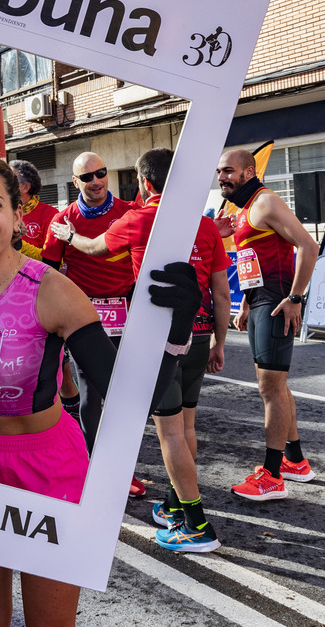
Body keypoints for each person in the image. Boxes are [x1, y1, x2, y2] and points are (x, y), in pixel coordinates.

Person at [0, 157, 200, 625]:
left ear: (18, 214)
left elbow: (127, 398)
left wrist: (177, 329)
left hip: (45, 467)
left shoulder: (53, 291)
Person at [55, 148, 230, 552]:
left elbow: (95, 248)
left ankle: (196, 524)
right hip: (200, 335)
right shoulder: (203, 226)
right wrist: (220, 341)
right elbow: (221, 294)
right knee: (186, 428)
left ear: (146, 183)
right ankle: (172, 504)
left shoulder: (139, 218)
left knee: (169, 433)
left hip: (159, 339)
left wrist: (67, 235)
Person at [215, 148, 319, 501]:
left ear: (248, 172)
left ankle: (272, 476)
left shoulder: (266, 202)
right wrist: (246, 301)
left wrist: (295, 297)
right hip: (259, 301)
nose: (221, 177)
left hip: (277, 302)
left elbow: (308, 246)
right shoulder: (242, 210)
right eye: (219, 172)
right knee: (276, 384)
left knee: (271, 389)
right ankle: (295, 460)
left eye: (228, 171)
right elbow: (253, 260)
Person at [44, 153, 137, 474]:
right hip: (84, 318)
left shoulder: (130, 212)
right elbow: (48, 273)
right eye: (87, 177)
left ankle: (123, 463)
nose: (95, 181)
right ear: (75, 182)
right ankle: (95, 462)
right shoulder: (62, 221)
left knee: (124, 394)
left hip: (128, 313)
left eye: (100, 173)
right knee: (90, 392)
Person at [10, 159, 58, 253]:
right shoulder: (0, 213)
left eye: (10, 181)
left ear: (25, 187)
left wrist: (18, 245)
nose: (4, 185)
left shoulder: (51, 215)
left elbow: (52, 257)